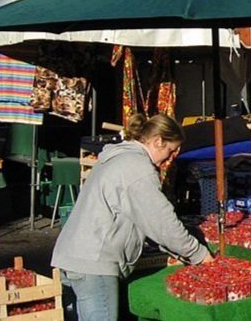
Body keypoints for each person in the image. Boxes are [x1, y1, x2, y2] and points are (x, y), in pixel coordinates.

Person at [52, 113, 212, 320]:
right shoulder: (137, 168)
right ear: (157, 141)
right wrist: (199, 254)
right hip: (94, 261)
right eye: (170, 150)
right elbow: (161, 221)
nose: (170, 159)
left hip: (75, 255)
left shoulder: (119, 157)